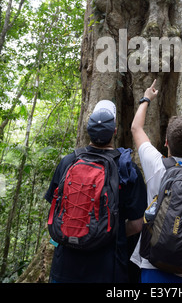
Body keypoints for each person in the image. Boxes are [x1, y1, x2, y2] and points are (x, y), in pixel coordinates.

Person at [45, 100, 147, 283]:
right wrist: (106, 230)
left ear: (88, 130)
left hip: (64, 266)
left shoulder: (68, 162)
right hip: (107, 268)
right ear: (115, 131)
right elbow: (138, 224)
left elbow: (55, 210)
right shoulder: (126, 169)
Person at [130, 80, 182, 283]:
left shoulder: (156, 165)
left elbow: (136, 128)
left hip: (153, 264)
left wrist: (146, 98)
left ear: (166, 142)